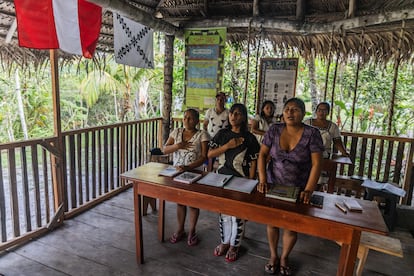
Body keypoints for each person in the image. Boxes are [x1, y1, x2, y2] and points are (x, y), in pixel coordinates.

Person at [257, 98, 324, 275]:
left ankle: (285, 256)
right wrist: (262, 180)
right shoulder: (274, 130)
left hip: (299, 188)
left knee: (291, 226)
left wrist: (309, 190)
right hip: (272, 184)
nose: (290, 113)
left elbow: (317, 164)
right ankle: (273, 255)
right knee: (272, 223)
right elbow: (262, 155)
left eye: (295, 110)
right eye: (287, 109)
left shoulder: (312, 134)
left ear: (303, 114)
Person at [208, 103, 260, 262]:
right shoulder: (222, 134)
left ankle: (234, 245)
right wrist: (228, 146)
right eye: (231, 113)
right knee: (223, 212)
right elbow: (210, 154)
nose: (233, 116)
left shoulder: (250, 138)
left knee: (237, 215)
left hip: (241, 180)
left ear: (244, 117)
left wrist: (250, 182)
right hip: (221, 178)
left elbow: (253, 162)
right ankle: (224, 242)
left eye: (237, 114)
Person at [163, 108, 210, 246]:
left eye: (190, 118)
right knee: (180, 201)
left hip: (194, 173)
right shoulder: (176, 132)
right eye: (185, 117)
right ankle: (180, 229)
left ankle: (192, 230)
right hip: (177, 173)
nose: (186, 120)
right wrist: (179, 145)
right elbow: (165, 149)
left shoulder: (203, 134)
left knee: (193, 203)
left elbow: (204, 157)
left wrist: (189, 167)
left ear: (196, 121)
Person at [203, 92, 229, 170]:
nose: (220, 101)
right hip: (210, 137)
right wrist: (205, 135)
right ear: (215, 100)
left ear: (225, 101)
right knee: (209, 157)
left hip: (223, 139)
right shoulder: (209, 111)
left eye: (222, 99)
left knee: (221, 158)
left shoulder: (228, 113)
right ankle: (207, 172)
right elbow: (205, 124)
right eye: (218, 99)